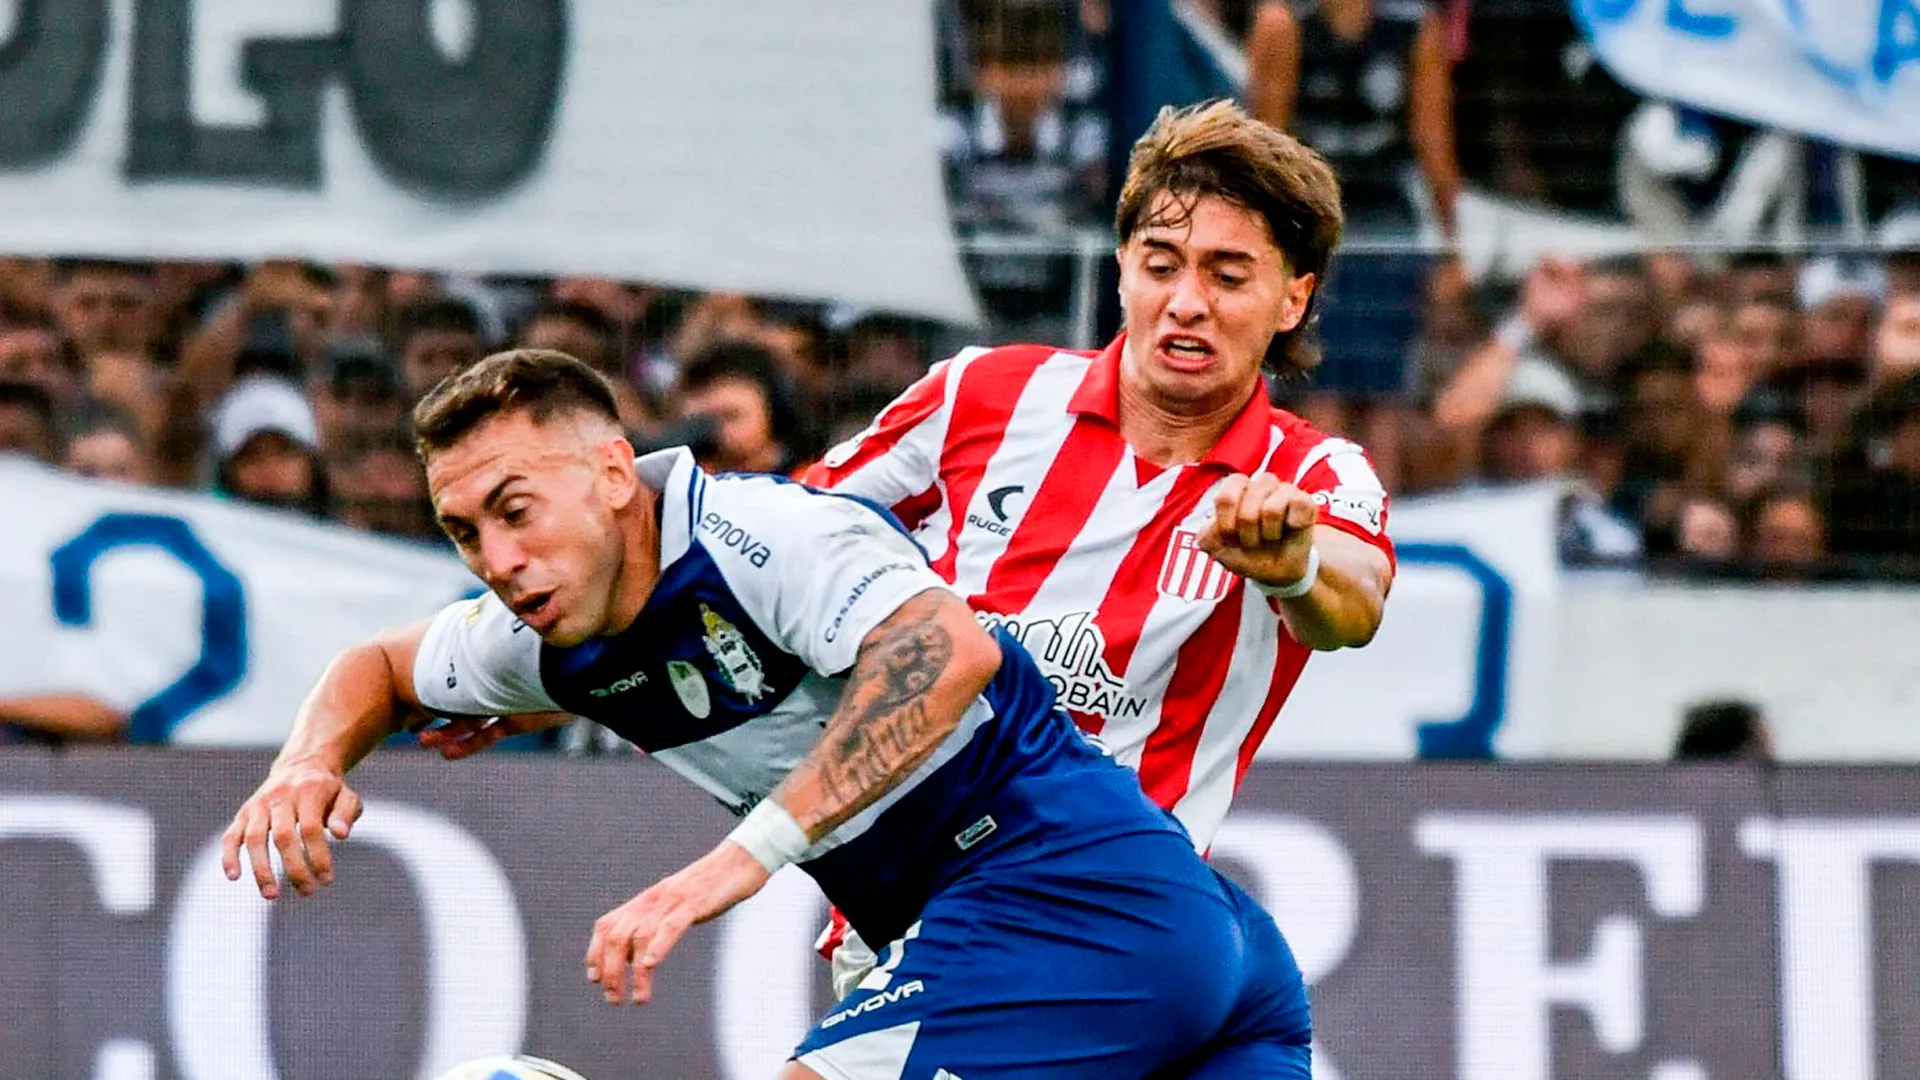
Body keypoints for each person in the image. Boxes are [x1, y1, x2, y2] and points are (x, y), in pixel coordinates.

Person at [221, 348, 1316, 1079]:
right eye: (465, 533)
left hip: (1060, 892)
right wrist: (306, 765)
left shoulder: (768, 538)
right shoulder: (544, 627)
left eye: (516, 511)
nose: (498, 560)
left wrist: (728, 869)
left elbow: (947, 653)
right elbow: (380, 666)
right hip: (1193, 949)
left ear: (613, 475)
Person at [806, 100, 1393, 984]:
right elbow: (788, 536)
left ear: (1293, 298)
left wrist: (1296, 566)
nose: (1186, 303)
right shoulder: (982, 396)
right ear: (1121, 269)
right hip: (911, 912)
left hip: (1111, 938)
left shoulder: (1312, 474)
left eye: (1228, 276)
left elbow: (1354, 603)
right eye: (1161, 265)